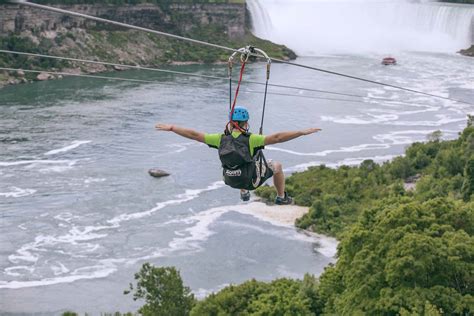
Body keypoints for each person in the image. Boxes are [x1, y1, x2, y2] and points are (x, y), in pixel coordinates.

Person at [155, 106, 321, 204]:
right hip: (249, 180)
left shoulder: (219, 139)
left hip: (230, 180)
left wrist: (172, 128)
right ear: (246, 123)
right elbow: (277, 138)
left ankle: (243, 193)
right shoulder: (252, 139)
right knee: (276, 166)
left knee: (240, 161)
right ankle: (281, 196)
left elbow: (194, 135)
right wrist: (300, 132)